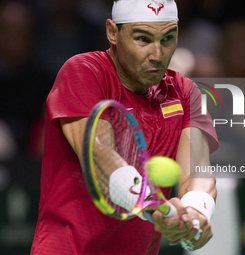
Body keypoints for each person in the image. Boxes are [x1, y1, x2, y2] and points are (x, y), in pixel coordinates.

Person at [31, 0, 219, 254]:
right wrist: (152, 205)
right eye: (143, 39)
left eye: (167, 39)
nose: (157, 54)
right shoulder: (83, 72)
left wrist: (194, 214)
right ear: (112, 32)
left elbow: (197, 171)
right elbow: (100, 154)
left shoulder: (186, 92)